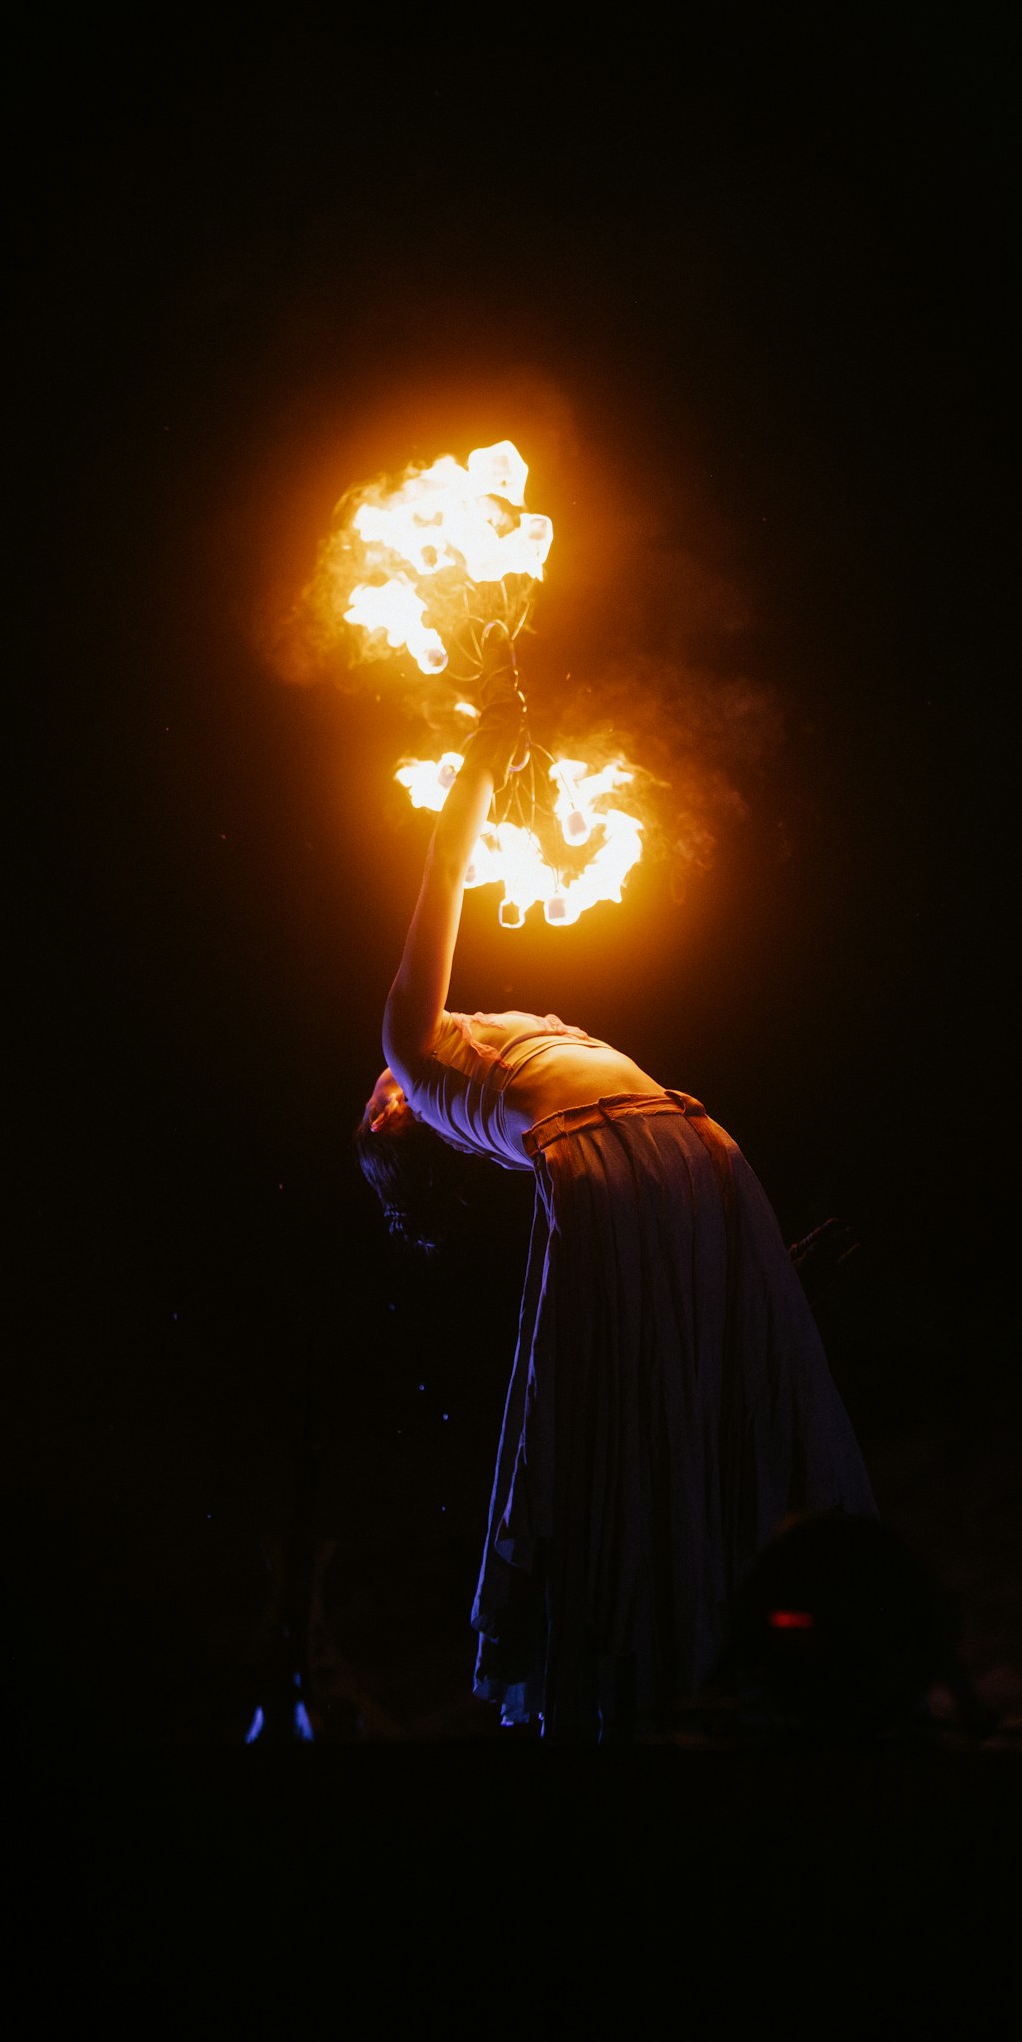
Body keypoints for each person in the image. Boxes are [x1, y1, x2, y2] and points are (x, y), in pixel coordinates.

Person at [357, 638, 875, 1740]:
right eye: (372, 1105)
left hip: (691, 1146)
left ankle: (761, 1651)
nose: (372, 1089)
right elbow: (439, 893)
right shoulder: (418, 1061)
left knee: (705, 1390)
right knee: (628, 1416)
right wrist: (475, 771)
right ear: (400, 1119)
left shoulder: (480, 1057)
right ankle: (664, 1669)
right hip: (621, 1165)